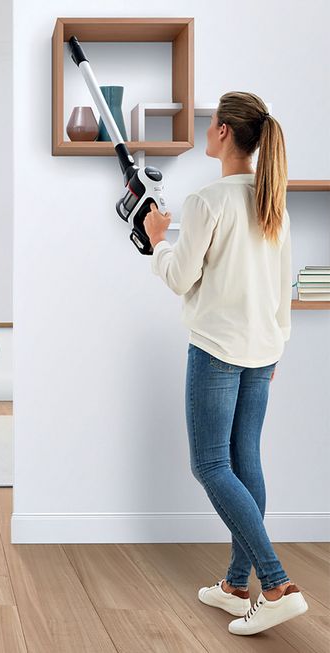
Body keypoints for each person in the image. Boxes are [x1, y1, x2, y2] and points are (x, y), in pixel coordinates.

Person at [144, 91, 308, 636]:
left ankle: (277, 584)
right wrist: (278, 343)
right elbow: (283, 290)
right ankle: (239, 586)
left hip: (216, 347)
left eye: (212, 123)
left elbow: (178, 278)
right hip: (263, 349)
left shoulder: (207, 200)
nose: (208, 130)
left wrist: (156, 241)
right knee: (244, 461)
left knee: (210, 465)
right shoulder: (273, 201)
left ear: (224, 134)